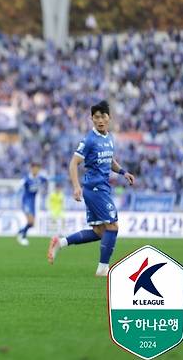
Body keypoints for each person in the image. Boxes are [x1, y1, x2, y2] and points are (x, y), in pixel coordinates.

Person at [47, 100, 135, 277]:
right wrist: (76, 187)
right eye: (96, 117)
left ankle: (60, 242)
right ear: (92, 119)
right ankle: (103, 268)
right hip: (94, 189)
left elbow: (110, 161)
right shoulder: (89, 139)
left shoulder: (108, 138)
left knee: (99, 231)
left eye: (103, 116)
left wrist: (123, 172)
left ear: (109, 118)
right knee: (112, 226)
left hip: (102, 188)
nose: (100, 120)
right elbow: (73, 163)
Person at [16, 162, 47, 246]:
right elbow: (18, 187)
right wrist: (16, 197)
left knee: (32, 224)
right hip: (26, 201)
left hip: (33, 202)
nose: (36, 170)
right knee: (30, 221)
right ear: (31, 169)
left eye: (38, 168)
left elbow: (49, 179)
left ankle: (21, 232)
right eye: (35, 168)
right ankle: (22, 236)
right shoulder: (26, 179)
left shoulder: (40, 178)